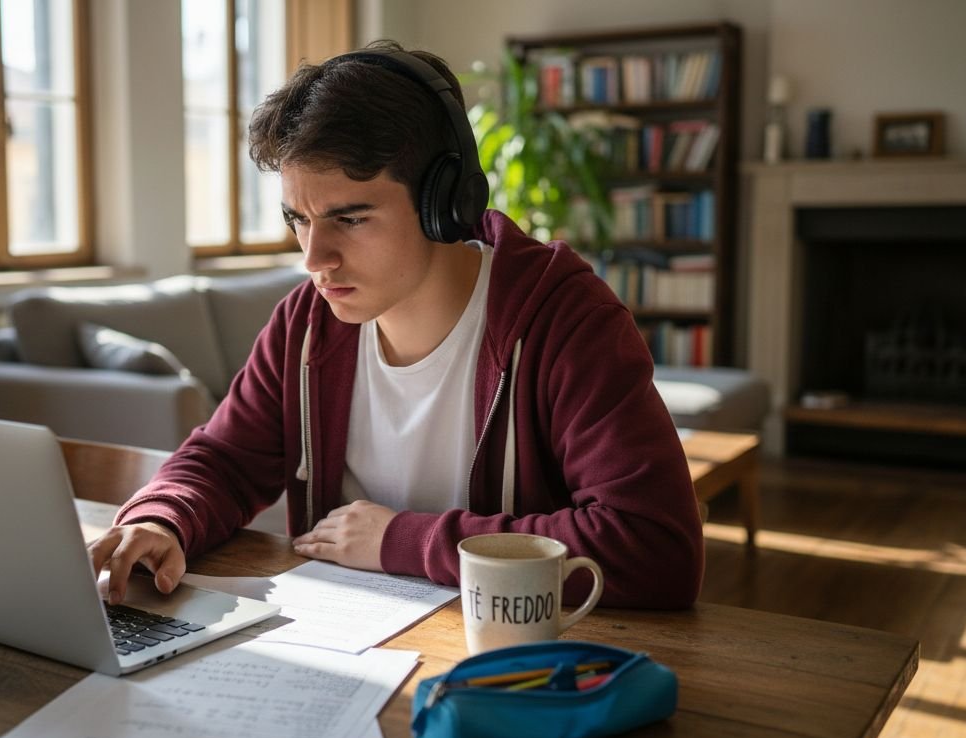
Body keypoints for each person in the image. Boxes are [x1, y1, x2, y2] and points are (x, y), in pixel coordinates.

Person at [90, 40, 703, 609]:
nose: (314, 259)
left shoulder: (566, 324)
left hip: (508, 659)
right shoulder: (307, 323)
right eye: (298, 219)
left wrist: (403, 541)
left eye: (350, 219)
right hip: (338, 643)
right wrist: (162, 517)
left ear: (446, 205)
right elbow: (223, 458)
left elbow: (654, 546)